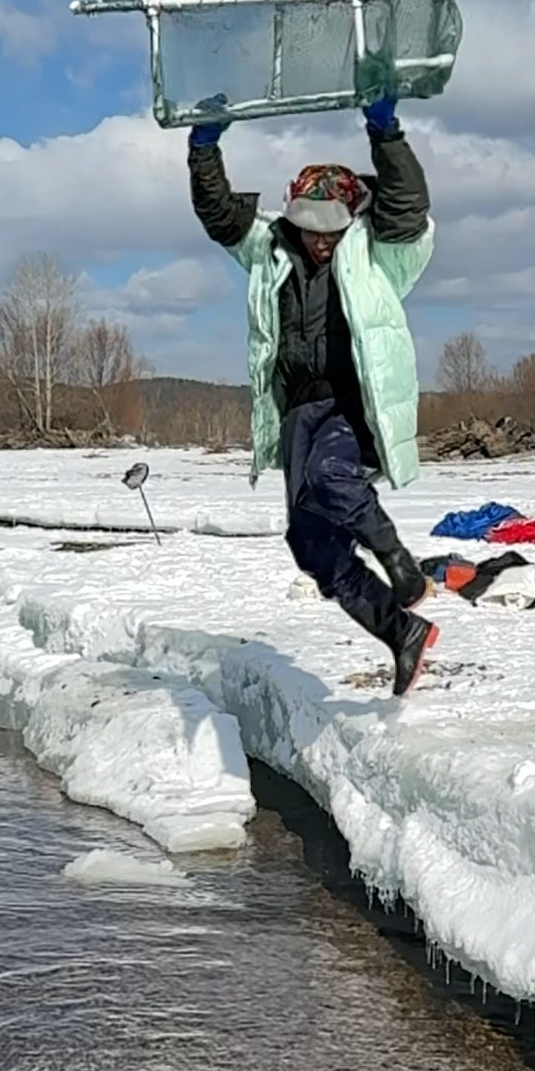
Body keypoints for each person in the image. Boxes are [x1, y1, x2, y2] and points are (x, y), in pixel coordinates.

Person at [187, 92, 439, 697]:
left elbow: (408, 206)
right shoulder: (271, 248)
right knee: (309, 542)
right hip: (299, 409)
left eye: (330, 229)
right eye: (309, 228)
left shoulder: (379, 251)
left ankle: (401, 566)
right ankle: (399, 629)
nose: (319, 240)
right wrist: (203, 150)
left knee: (331, 475)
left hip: (352, 401)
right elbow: (222, 216)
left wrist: (387, 133)